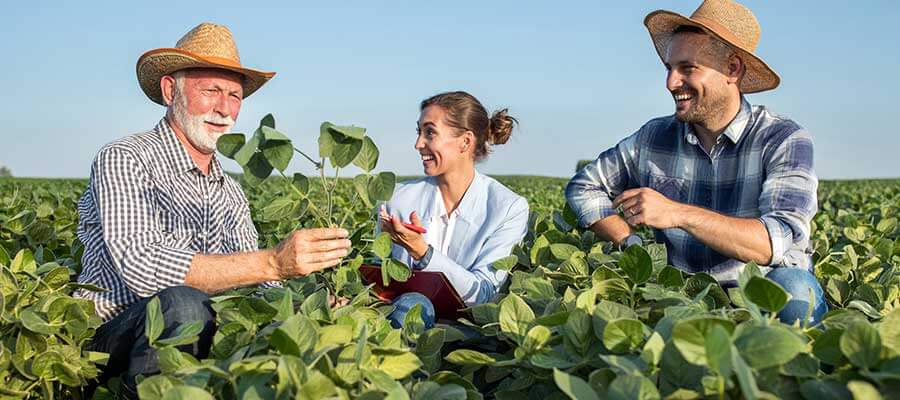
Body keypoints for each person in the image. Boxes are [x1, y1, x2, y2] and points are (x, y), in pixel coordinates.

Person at [75, 23, 351, 397]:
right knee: (184, 305)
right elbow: (142, 266)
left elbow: (259, 288)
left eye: (235, 96)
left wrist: (312, 305)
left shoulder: (231, 193)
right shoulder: (126, 158)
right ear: (171, 90)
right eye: (211, 91)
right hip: (113, 339)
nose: (224, 109)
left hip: (204, 331)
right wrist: (273, 261)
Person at [566, 0, 827, 325]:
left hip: (756, 294)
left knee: (796, 290)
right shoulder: (654, 137)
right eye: (669, 68)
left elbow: (772, 242)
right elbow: (583, 187)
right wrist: (629, 242)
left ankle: (785, 370)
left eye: (687, 68)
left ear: (732, 69)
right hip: (681, 295)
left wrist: (676, 213)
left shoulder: (783, 139)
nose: (671, 82)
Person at [378, 91, 529, 329]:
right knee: (413, 305)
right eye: (419, 132)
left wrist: (422, 252)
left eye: (430, 132)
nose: (418, 144)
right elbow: (379, 277)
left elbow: (483, 294)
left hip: (470, 335)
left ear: (465, 142)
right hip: (400, 322)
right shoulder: (397, 199)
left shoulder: (507, 208)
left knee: (415, 304)